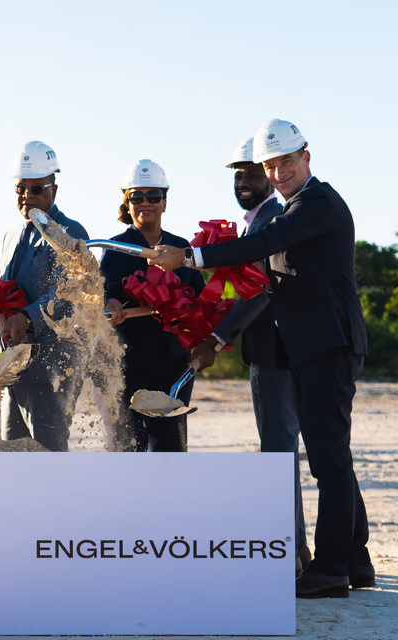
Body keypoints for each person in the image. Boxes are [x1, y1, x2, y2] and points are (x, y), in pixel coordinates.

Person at [149, 119, 373, 598]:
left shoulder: (316, 203)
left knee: (328, 460)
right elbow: (269, 278)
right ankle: (355, 558)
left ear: (306, 157)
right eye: (270, 165)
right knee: (332, 455)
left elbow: (263, 245)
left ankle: (331, 567)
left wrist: (190, 257)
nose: (277, 173)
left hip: (328, 345)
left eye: (285, 162)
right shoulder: (298, 205)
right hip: (314, 346)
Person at [189, 137, 310, 573]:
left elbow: (258, 288)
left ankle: (294, 553)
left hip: (278, 351)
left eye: (252, 172)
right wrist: (199, 309)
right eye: (239, 174)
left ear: (271, 175)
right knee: (281, 450)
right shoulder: (257, 221)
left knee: (277, 452)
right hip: (271, 351)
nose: (244, 181)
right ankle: (305, 550)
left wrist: (217, 339)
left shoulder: (272, 219)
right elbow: (233, 287)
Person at [101, 160, 204, 452]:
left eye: (153, 196)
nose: (145, 202)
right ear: (128, 203)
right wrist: (110, 303)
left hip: (173, 365)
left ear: (165, 202)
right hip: (126, 366)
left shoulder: (182, 249)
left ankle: (169, 498)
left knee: (171, 447)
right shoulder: (115, 249)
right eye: (137, 197)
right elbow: (102, 296)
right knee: (128, 446)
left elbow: (200, 300)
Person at [0, 141, 88, 452]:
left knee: (47, 454)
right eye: (21, 189)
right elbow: (1, 288)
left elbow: (71, 291)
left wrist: (27, 315)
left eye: (36, 189)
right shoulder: (11, 237)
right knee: (12, 452)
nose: (27, 197)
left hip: (52, 366)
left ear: (54, 190)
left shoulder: (70, 232)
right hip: (14, 366)